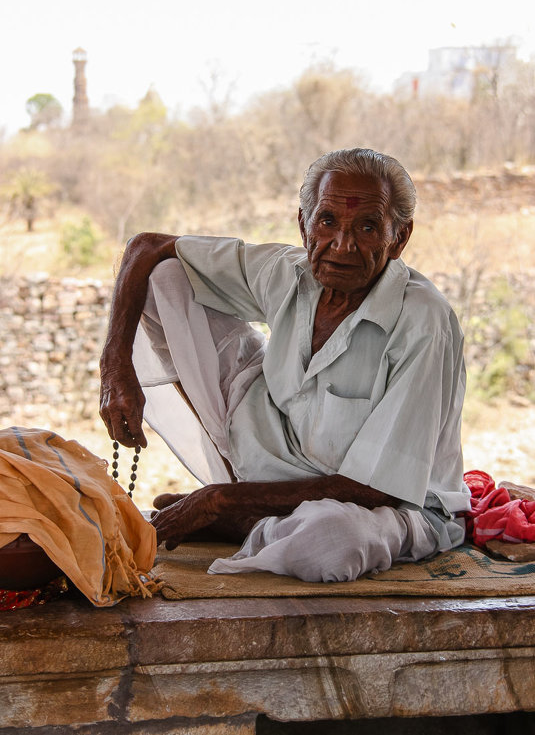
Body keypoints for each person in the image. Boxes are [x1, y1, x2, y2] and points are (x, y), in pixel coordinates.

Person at [99, 147, 471, 582]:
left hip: (391, 504)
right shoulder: (288, 272)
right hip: (280, 459)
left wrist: (220, 501)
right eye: (327, 221)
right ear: (304, 224)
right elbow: (147, 247)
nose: (341, 244)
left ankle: (250, 522)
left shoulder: (424, 321)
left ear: (398, 238)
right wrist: (115, 366)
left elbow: (377, 489)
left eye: (367, 227)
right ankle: (261, 517)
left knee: (330, 543)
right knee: (164, 277)